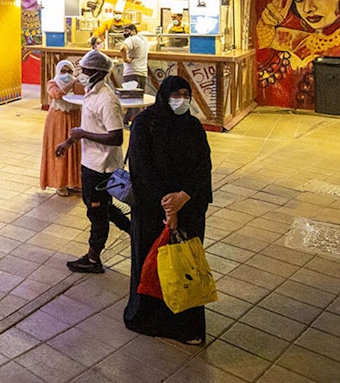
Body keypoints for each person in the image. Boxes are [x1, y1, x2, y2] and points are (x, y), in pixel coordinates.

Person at [123, 76, 213, 345]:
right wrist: (167, 204)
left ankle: (185, 324)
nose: (182, 99)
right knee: (152, 263)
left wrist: (183, 196)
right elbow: (141, 170)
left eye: (186, 94)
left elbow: (203, 166)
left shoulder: (193, 126)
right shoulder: (145, 125)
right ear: (164, 96)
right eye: (176, 94)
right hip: (153, 211)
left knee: (186, 265)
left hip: (189, 207)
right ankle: (148, 318)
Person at [54, 49, 130, 274]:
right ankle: (137, 233)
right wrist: (69, 142)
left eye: (85, 71)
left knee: (97, 211)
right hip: (91, 162)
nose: (81, 74)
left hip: (103, 166)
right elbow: (87, 127)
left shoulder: (107, 99)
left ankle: (93, 258)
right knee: (101, 207)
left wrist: (83, 136)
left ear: (97, 73)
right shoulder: (91, 93)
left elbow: (117, 137)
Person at [42, 61, 84, 195]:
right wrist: (71, 83)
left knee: (75, 151)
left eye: (69, 71)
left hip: (74, 117)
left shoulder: (77, 83)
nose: (66, 74)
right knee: (60, 150)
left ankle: (74, 181)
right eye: (63, 71)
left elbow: (84, 93)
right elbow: (58, 94)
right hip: (58, 119)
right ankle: (60, 183)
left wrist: (80, 80)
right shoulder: (52, 83)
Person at [119, 23, 149, 92]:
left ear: (133, 31)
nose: (124, 33)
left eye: (126, 31)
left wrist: (126, 59)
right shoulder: (144, 39)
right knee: (140, 99)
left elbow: (122, 48)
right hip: (143, 73)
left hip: (131, 73)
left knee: (131, 100)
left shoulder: (131, 39)